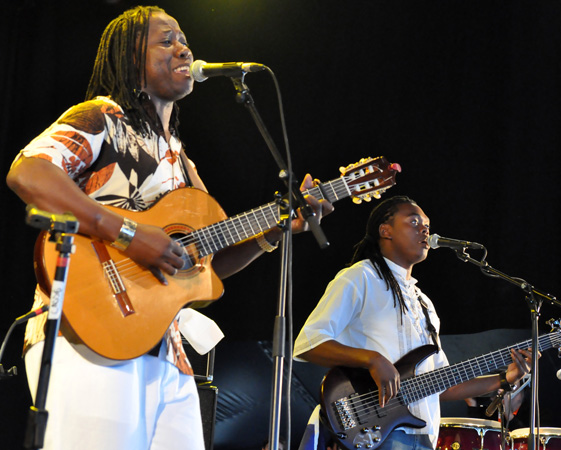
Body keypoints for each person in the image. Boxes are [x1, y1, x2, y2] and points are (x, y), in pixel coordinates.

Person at [6, 5, 331, 450]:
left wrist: (274, 231)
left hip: (166, 352)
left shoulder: (181, 161)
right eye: (167, 40)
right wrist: (128, 234)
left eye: (184, 40)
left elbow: (205, 263)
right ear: (129, 57)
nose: (184, 48)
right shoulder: (101, 118)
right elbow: (29, 172)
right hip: (88, 331)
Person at [293, 195, 533, 450]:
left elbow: (441, 387)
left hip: (425, 436)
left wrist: (505, 379)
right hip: (374, 433)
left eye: (427, 224)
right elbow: (308, 344)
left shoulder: (424, 304)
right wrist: (372, 359)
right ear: (385, 231)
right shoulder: (360, 277)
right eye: (414, 221)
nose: (425, 229)